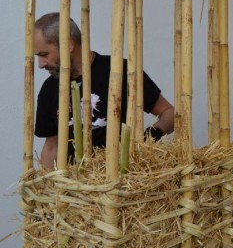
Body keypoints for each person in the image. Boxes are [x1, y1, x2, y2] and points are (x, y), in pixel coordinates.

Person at [34, 13, 175, 169]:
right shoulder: (49, 88)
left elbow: (169, 112)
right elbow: (52, 146)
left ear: (68, 44)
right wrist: (45, 185)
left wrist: (152, 134)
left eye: (44, 54)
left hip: (121, 178)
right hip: (77, 186)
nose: (40, 64)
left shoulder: (121, 71)